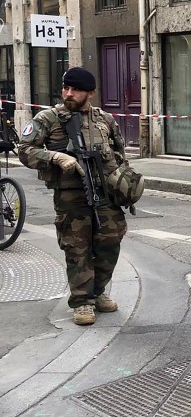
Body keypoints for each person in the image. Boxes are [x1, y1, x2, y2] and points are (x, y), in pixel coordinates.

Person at [17, 67, 129, 326]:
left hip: (105, 194)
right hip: (71, 196)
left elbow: (120, 153)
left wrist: (124, 183)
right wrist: (55, 157)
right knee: (77, 248)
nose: (69, 93)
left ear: (90, 93)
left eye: (75, 90)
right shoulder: (48, 119)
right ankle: (81, 302)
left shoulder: (105, 119)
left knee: (110, 242)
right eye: (66, 88)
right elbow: (25, 150)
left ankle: (97, 292)